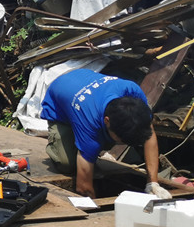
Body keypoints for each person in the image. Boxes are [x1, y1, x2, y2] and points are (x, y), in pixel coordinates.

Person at [40, 68, 172, 200]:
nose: (123, 143)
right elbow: (83, 188)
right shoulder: (90, 122)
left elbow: (149, 135)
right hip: (60, 104)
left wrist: (152, 183)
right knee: (66, 164)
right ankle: (64, 146)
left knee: (103, 141)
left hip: (84, 79)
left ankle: (88, 152)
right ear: (106, 121)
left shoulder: (133, 93)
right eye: (122, 140)